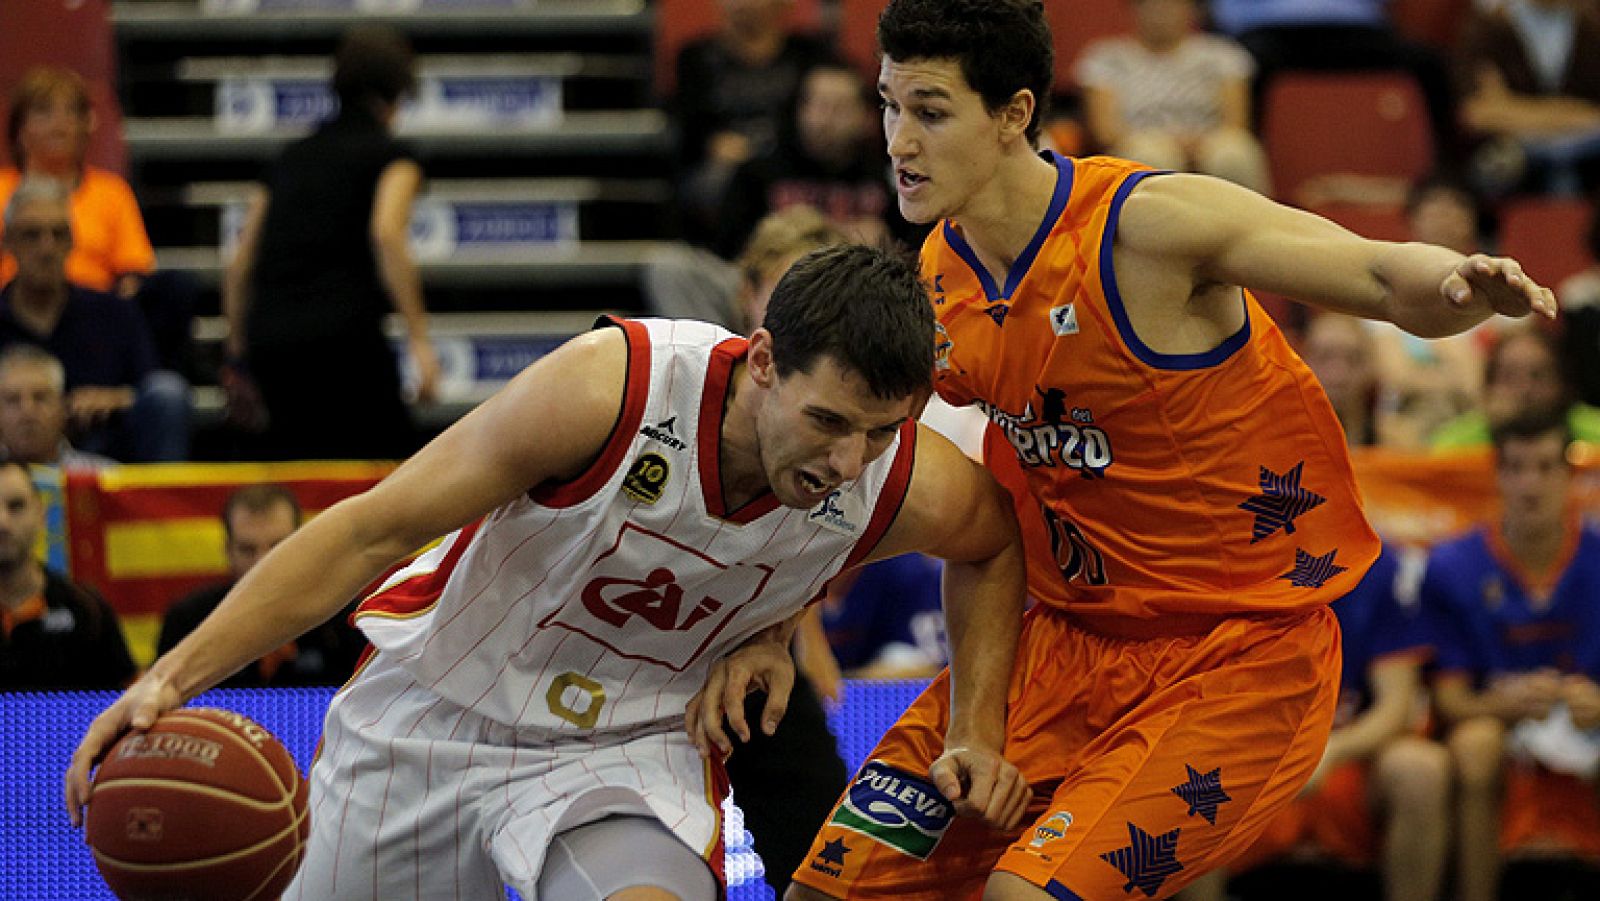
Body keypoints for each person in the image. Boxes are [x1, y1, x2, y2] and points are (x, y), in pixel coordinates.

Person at [787, 2, 1555, 898]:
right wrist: (954, 715)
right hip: (1067, 644)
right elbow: (932, 512)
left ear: (1014, 113)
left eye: (929, 109)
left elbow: (1378, 272)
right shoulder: (938, 284)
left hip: (1241, 654)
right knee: (825, 888)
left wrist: (1458, 283)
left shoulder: (1147, 226)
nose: (897, 140)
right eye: (887, 105)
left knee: (1021, 895)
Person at [66, 244, 1033, 901]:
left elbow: (994, 545)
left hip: (623, 748)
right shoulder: (612, 386)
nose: (849, 462)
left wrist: (969, 723)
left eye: (881, 431)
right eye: (829, 423)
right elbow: (369, 531)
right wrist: (168, 678)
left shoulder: (886, 472)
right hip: (439, 716)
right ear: (765, 361)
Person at [1181, 547, 1451, 901]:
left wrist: (1332, 750)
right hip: (1249, 752)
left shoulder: (1372, 560)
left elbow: (1396, 706)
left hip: (1349, 752)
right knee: (1193, 766)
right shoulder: (1226, 559)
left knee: (1422, 770)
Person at [223, 24, 439, 461]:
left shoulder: (288, 159)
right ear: (400, 88)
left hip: (275, 340)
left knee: (303, 472)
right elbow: (386, 234)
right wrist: (419, 339)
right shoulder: (393, 157)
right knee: (385, 474)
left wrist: (237, 352)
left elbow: (240, 261)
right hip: (345, 343)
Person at [1422, 410, 1600, 901]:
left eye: (1545, 467)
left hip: (1587, 718)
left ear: (1569, 476)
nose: (1531, 484)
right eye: (1518, 468)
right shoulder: (1452, 565)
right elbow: (1450, 703)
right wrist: (1507, 704)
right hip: (1495, 720)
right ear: (1497, 476)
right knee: (1474, 746)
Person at [0, 66, 195, 373]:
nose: (60, 124)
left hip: (94, 319)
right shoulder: (1, 190)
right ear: (19, 130)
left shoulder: (112, 192)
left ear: (87, 127)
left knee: (173, 288)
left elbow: (134, 270)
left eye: (72, 113)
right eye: (44, 113)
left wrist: (111, 304)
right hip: (14, 320)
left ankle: (149, 384)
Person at [0, 176, 188, 463]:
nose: (46, 248)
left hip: (106, 449)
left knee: (169, 394)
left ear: (73, 242)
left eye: (59, 234)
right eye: (32, 234)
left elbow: (151, 387)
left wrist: (115, 398)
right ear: (8, 242)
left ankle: (162, 505)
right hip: (8, 462)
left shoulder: (113, 312)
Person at [157, 485, 363, 687]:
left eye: (278, 546)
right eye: (247, 549)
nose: (262, 563)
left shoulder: (345, 619)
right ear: (228, 551)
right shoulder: (189, 622)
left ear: (302, 545)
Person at [671, 0, 832, 244]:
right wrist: (713, 142)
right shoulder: (696, 57)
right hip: (723, 169)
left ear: (782, 5)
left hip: (793, 162)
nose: (742, 4)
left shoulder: (808, 54)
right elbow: (689, 124)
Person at [713, 61, 908, 259]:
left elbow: (916, 250)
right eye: (819, 105)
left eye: (840, 108)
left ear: (865, 117)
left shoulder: (890, 176)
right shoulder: (758, 172)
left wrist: (886, 240)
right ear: (800, 109)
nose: (826, 120)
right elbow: (728, 250)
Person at [1075, 0, 1271, 194]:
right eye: (1152, 5)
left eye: (1172, 4)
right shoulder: (1105, 58)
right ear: (1134, 9)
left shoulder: (1223, 55)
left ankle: (1247, 224)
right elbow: (1106, 132)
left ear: (1191, 9)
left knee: (1234, 153)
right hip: (1139, 139)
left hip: (1210, 140)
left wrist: (1195, 144)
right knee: (1150, 156)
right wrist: (1169, 142)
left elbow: (1236, 124)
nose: (1161, 12)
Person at [0, 460, 134, 690]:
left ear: (41, 513)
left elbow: (127, 702)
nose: (2, 522)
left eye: (16, 506)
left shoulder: (88, 609)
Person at [1457, 0, 1600, 196]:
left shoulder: (1591, 29)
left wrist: (1513, 108)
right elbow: (1479, 113)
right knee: (1496, 167)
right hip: (1516, 150)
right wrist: (1570, 113)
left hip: (1588, 149)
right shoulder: (1490, 29)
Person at [1431, 325, 1600, 450]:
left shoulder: (1594, 432)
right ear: (1490, 386)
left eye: (1538, 375)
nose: (1525, 389)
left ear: (1561, 382)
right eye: (1509, 377)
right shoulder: (1455, 446)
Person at [0, 344, 113, 469]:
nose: (27, 410)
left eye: (40, 398)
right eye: (13, 400)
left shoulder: (105, 476)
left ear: (63, 407)